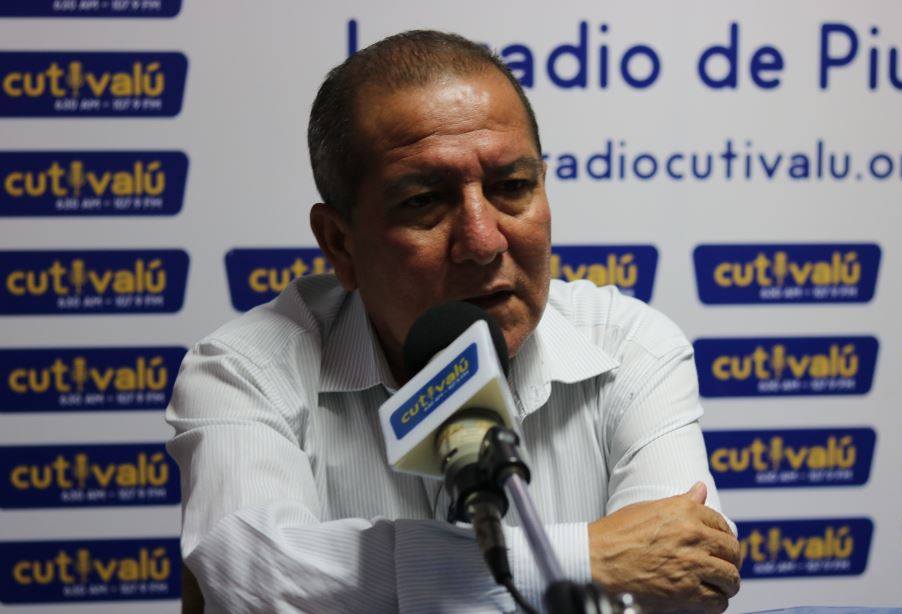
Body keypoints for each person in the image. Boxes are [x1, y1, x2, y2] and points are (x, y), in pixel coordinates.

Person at [166, 30, 741, 613]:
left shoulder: (631, 346)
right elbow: (254, 581)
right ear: (340, 243)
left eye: (512, 187)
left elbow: (683, 580)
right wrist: (585, 558)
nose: (483, 241)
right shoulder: (244, 368)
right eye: (424, 201)